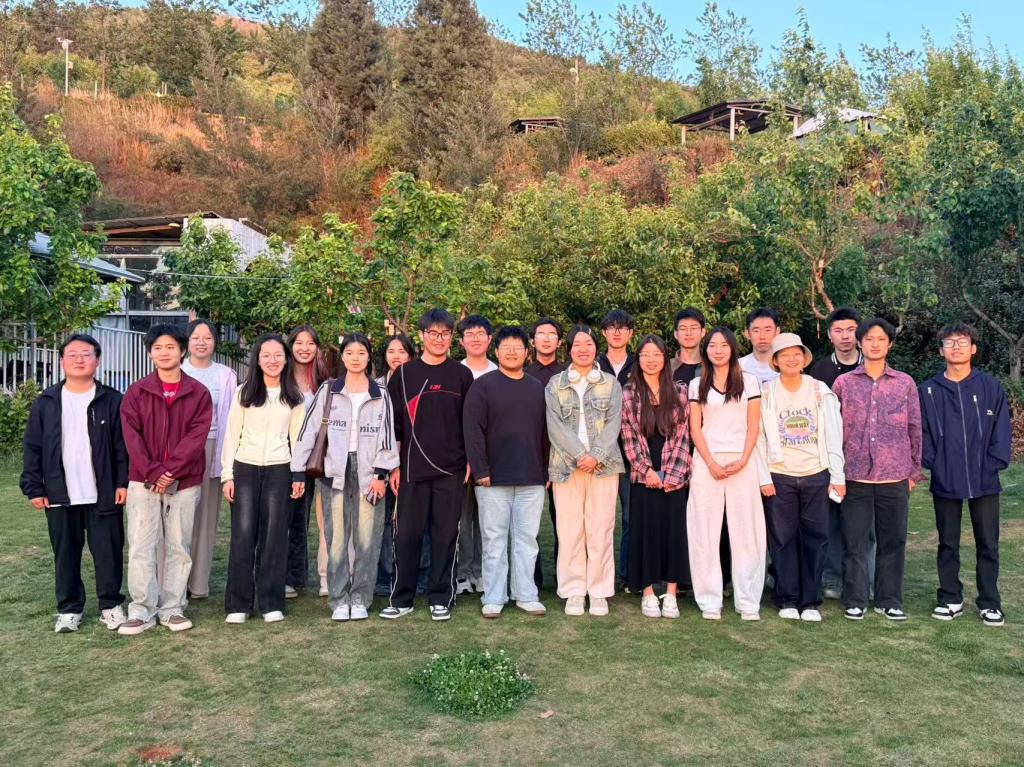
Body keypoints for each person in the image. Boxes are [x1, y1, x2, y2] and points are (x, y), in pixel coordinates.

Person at [21, 334, 129, 633]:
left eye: (86, 354)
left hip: (103, 492)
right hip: (59, 493)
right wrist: (34, 487)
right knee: (65, 553)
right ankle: (69, 609)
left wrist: (122, 482)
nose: (79, 359)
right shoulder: (46, 402)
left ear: (97, 360)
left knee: (108, 552)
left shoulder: (112, 400)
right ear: (61, 361)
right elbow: (33, 448)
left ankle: (110, 605)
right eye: (72, 354)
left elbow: (122, 447)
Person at [292, 334, 399, 622]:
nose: (355, 358)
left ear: (369, 357)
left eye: (361, 352)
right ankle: (339, 599)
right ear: (342, 356)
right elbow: (308, 431)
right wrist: (298, 470)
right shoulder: (329, 390)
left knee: (367, 539)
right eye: (349, 352)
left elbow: (387, 436)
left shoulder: (379, 393)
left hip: (369, 472)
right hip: (334, 472)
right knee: (336, 538)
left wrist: (381, 474)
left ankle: (361, 598)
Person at [118, 324, 213, 635]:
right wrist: (154, 472)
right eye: (157, 347)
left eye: (170, 347)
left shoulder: (198, 392)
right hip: (143, 481)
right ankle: (141, 609)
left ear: (182, 351)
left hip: (184, 481)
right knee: (141, 545)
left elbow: (196, 437)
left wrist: (170, 470)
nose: (164, 353)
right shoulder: (136, 392)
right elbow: (132, 438)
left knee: (178, 545)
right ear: (150, 353)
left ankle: (172, 608)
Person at [383, 308, 475, 621]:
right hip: (411, 470)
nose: (439, 339)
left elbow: (469, 423)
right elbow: (394, 426)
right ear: (422, 336)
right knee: (406, 536)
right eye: (433, 333)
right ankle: (402, 598)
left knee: (445, 535)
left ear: (452, 337)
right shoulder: (403, 375)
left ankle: (441, 597)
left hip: (452, 470)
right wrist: (394, 467)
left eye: (445, 333)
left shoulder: (462, 375)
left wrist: (469, 461)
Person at [920, 322, 1012, 627]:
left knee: (988, 543)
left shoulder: (990, 387)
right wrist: (933, 461)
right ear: (941, 351)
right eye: (950, 342)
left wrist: (994, 462)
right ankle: (950, 598)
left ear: (973, 348)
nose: (956, 347)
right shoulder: (929, 390)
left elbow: (1001, 429)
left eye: (962, 342)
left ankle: (990, 602)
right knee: (948, 542)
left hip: (984, 478)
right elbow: (923, 431)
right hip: (945, 477)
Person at [831, 318, 921, 621]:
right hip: (854, 475)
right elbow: (833, 428)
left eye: (881, 339)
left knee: (893, 541)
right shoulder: (844, 384)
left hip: (894, 474)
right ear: (860, 343)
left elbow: (915, 427)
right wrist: (836, 471)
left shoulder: (904, 383)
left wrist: (913, 471)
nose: (874, 344)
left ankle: (889, 599)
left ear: (889, 344)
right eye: (869, 339)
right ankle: (855, 599)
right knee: (854, 541)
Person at [758, 333, 846, 622]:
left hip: (815, 474)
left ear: (804, 358)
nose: (791, 359)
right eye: (784, 355)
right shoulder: (767, 392)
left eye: (796, 354)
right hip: (780, 474)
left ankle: (810, 601)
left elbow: (833, 434)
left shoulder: (820, 390)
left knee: (816, 538)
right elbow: (759, 438)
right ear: (775, 361)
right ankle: (787, 598)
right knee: (782, 539)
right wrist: (764, 477)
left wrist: (837, 475)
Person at [221, 334, 306, 624]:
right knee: (243, 536)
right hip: (244, 468)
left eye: (278, 355)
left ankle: (271, 602)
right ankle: (239, 604)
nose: (272, 360)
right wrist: (227, 476)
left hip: (280, 470)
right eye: (266, 355)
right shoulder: (244, 393)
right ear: (257, 359)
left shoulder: (294, 397)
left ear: (286, 359)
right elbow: (231, 435)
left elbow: (298, 439)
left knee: (274, 538)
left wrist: (298, 474)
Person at [463, 326, 548, 618]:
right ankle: (494, 596)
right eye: (506, 347)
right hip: (492, 480)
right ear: (496, 351)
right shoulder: (482, 387)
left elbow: (545, 433)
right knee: (494, 540)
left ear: (527, 352)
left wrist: (545, 470)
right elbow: (472, 431)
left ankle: (526, 594)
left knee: (527, 540)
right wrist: (481, 470)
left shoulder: (537, 388)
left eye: (518, 347)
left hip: (531, 477)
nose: (512, 352)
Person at [687, 327, 767, 621]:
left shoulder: (749, 382)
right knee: (703, 532)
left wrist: (744, 459)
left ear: (733, 348)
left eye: (723, 345)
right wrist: (710, 463)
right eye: (712, 345)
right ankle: (709, 600)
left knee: (747, 532)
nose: (718, 350)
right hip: (706, 463)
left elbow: (753, 425)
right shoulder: (696, 384)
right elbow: (695, 428)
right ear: (705, 350)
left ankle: (748, 601)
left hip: (742, 462)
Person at [546, 325, 625, 616]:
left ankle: (599, 590)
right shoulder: (555, 384)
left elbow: (614, 423)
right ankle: (574, 591)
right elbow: (554, 426)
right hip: (567, 467)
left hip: (603, 467)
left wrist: (596, 456)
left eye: (588, 344)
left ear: (596, 348)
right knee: (570, 531)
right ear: (569, 349)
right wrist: (581, 455)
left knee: (600, 529)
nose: (583, 349)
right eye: (577, 344)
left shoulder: (610, 384)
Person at [620, 335, 691, 619]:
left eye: (657, 354)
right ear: (638, 359)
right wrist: (646, 471)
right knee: (645, 532)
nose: (651, 360)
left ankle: (671, 593)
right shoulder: (628, 393)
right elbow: (628, 437)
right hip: (643, 475)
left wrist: (673, 474)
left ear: (665, 358)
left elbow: (684, 436)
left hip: (675, 474)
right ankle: (648, 592)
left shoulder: (680, 392)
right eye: (645, 355)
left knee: (674, 533)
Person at [807, 307, 867, 600]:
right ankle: (831, 577)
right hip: (827, 456)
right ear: (830, 335)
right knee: (830, 518)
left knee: (864, 524)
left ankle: (864, 578)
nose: (845, 337)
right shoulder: (819, 371)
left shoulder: (873, 366)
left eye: (851, 330)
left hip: (865, 458)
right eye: (839, 331)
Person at [181, 319, 237, 601]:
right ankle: (174, 581)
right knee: (179, 516)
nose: (201, 342)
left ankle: (198, 583)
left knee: (205, 517)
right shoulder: (176, 370)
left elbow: (231, 417)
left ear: (215, 342)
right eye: (196, 337)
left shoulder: (225, 375)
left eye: (208, 337)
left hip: (213, 446)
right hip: (180, 450)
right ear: (187, 341)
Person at [374, 334, 421, 597]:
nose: (396, 356)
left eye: (402, 351)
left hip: (414, 461)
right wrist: (387, 467)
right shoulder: (375, 387)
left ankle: (418, 574)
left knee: (415, 520)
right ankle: (385, 574)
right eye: (391, 351)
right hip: (382, 464)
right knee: (385, 521)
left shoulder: (418, 382)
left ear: (411, 355)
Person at [285, 325, 330, 598]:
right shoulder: (281, 379)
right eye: (299, 343)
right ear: (290, 346)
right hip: (286, 457)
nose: (304, 348)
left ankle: (319, 575)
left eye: (310, 343)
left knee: (318, 518)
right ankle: (290, 577)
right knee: (291, 518)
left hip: (318, 459)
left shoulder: (325, 381)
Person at [454, 315, 495, 596]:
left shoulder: (499, 371)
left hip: (493, 459)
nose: (476, 338)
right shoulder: (455, 373)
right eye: (469, 334)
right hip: (460, 460)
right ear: (461, 341)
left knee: (488, 521)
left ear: (490, 339)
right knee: (462, 519)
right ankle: (462, 573)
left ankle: (482, 572)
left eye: (481, 333)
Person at [525, 317, 566, 589]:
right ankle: (532, 578)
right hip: (531, 457)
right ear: (532, 340)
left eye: (552, 334)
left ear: (559, 342)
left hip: (563, 458)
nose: (547, 338)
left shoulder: (568, 373)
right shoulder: (524, 373)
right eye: (541, 334)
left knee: (564, 521)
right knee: (530, 524)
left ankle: (565, 577)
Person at [597, 309, 636, 588]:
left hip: (633, 453)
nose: (617, 332)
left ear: (630, 333)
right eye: (612, 327)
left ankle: (628, 575)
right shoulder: (593, 363)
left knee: (631, 517)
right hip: (601, 453)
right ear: (604, 333)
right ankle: (599, 575)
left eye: (622, 327)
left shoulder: (641, 362)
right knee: (600, 519)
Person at [740, 307, 782, 384]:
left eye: (768, 330)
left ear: (777, 331)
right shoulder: (738, 367)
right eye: (756, 331)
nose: (762, 336)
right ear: (747, 334)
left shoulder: (788, 365)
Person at [671, 308, 706, 385]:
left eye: (693, 328)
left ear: (703, 332)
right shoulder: (666, 367)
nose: (688, 333)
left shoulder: (711, 367)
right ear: (676, 334)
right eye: (683, 329)